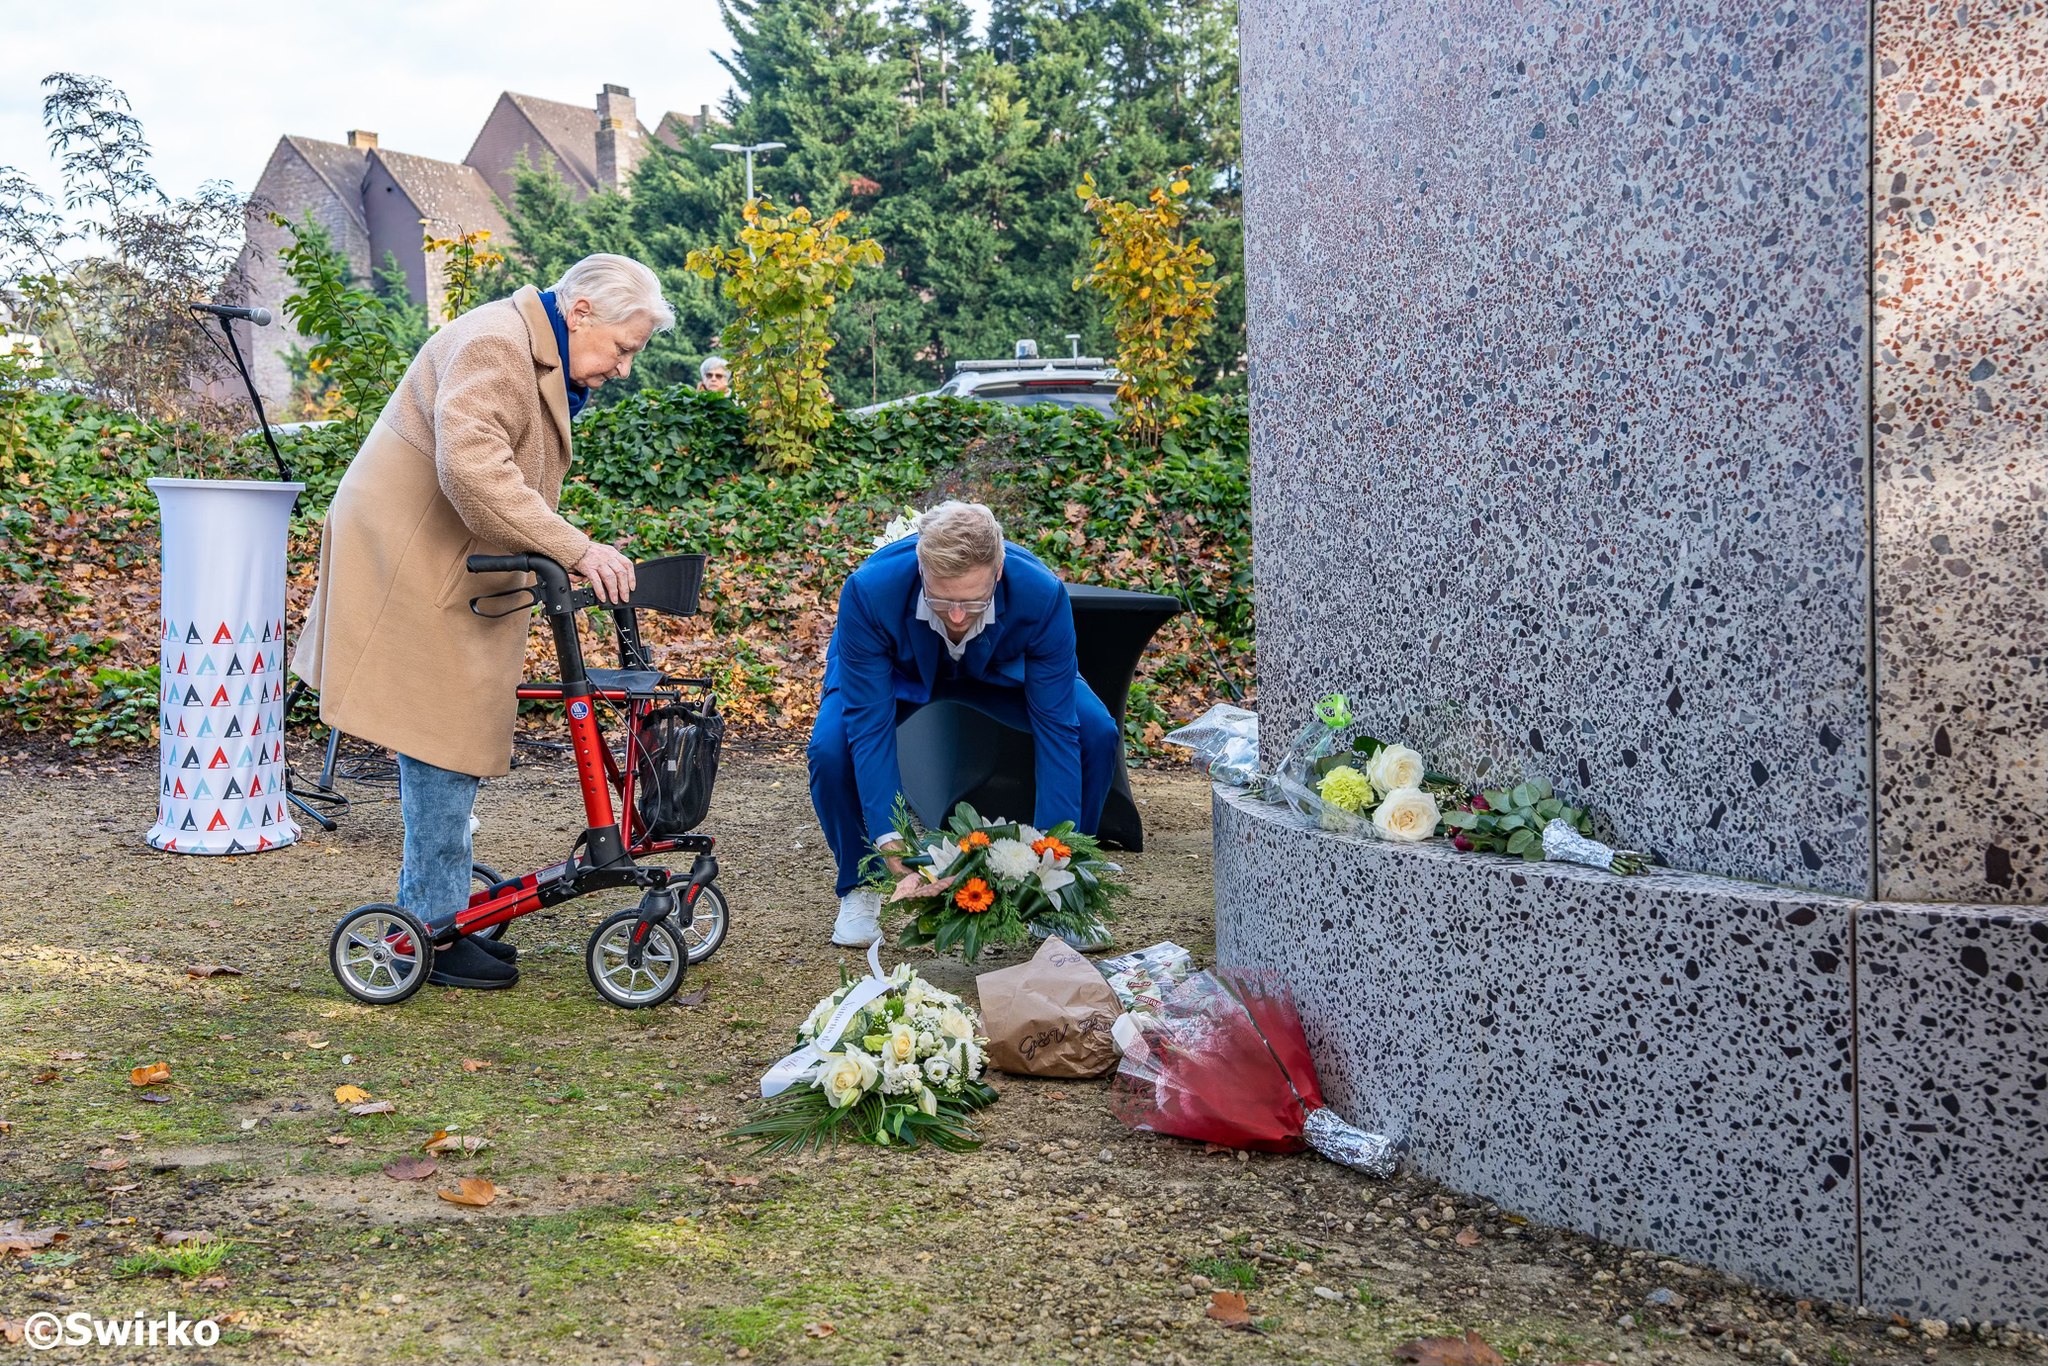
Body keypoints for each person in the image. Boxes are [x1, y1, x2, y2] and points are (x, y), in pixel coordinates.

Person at [294, 254, 674, 989]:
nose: (626, 368)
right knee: (441, 737)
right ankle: (431, 933)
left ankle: (442, 909)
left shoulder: (529, 345)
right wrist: (576, 547)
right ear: (582, 310)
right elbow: (472, 470)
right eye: (625, 348)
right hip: (414, 560)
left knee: (453, 738)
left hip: (448, 558)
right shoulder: (499, 342)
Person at [807, 500, 1121, 947]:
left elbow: (1058, 731)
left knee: (1095, 732)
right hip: (896, 673)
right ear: (920, 565)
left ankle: (1064, 885)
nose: (956, 616)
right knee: (831, 749)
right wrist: (890, 838)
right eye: (941, 599)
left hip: (1000, 671)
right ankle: (863, 883)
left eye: (972, 601)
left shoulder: (1042, 594)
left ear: (997, 572)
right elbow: (869, 726)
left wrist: (1051, 860)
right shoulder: (868, 591)